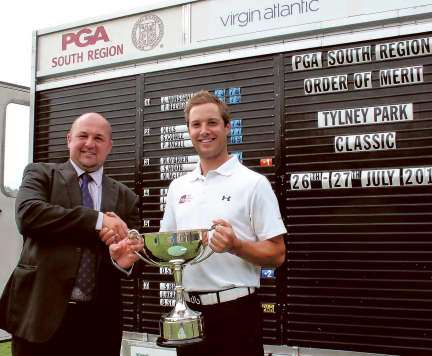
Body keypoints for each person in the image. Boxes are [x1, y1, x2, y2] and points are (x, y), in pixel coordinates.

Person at [0, 112, 142, 356]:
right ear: (69, 139)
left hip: (98, 326)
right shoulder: (41, 174)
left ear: (109, 146)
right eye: (83, 136)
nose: (90, 143)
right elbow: (29, 215)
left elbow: (138, 258)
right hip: (39, 317)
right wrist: (97, 219)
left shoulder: (125, 197)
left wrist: (123, 261)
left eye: (98, 138)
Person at [160, 90, 287, 356]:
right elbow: (166, 249)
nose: (204, 131)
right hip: (189, 313)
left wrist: (236, 245)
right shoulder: (177, 187)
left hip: (236, 314)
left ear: (227, 127)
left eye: (212, 123)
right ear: (189, 131)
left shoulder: (253, 183)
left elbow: (277, 254)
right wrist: (132, 243)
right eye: (196, 124)